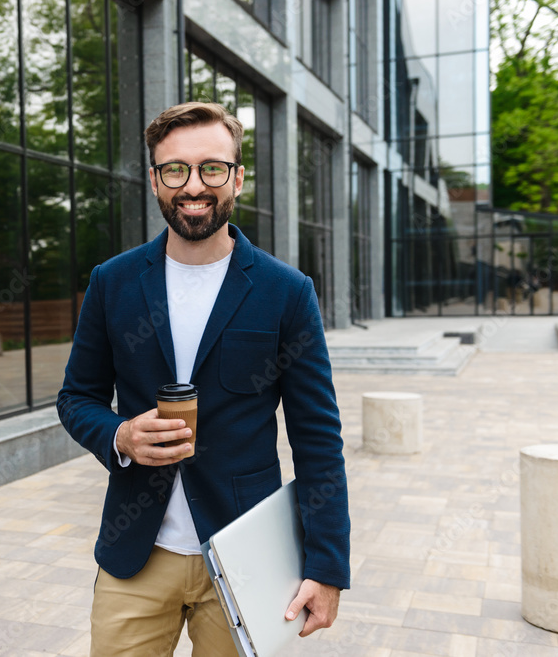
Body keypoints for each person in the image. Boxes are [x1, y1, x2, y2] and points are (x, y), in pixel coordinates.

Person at [57, 102, 350, 656]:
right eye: (175, 169)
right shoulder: (112, 282)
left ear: (237, 177)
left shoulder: (287, 292)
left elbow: (318, 440)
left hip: (247, 555)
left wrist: (328, 566)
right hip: (135, 555)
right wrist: (119, 436)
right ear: (154, 180)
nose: (194, 185)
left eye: (212, 168)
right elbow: (77, 398)